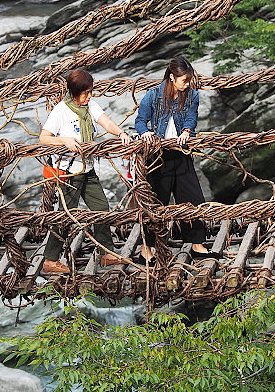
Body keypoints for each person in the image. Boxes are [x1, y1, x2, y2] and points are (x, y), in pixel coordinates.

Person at [39, 68, 132, 275]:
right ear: (73, 93)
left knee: (101, 209)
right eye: (85, 93)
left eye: (90, 92)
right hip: (68, 173)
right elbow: (43, 138)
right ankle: (50, 260)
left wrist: (121, 133)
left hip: (87, 169)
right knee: (65, 216)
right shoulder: (61, 110)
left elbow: (105, 121)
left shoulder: (90, 105)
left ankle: (106, 253)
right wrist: (63, 140)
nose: (89, 97)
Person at [134, 56, 210, 263]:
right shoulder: (153, 95)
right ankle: (146, 249)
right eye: (184, 80)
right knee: (155, 202)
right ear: (172, 77)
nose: (187, 84)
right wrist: (145, 133)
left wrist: (187, 130)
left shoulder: (192, 95)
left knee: (193, 198)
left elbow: (191, 117)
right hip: (158, 156)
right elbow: (140, 121)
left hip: (181, 151)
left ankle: (197, 245)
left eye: (189, 79)